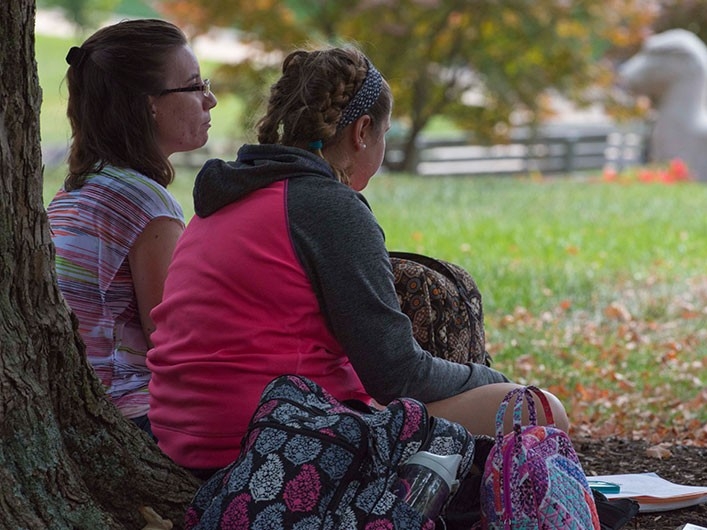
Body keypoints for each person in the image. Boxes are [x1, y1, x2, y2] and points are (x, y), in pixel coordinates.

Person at [147, 46, 568, 478]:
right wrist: (490, 377)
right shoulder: (327, 207)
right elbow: (397, 374)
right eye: (383, 135)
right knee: (538, 409)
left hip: (186, 436)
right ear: (362, 131)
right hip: (268, 444)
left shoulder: (229, 196)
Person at [47, 19, 217, 435]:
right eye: (194, 86)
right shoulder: (147, 205)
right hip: (127, 413)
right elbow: (172, 342)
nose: (210, 99)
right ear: (149, 104)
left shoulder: (76, 192)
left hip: (77, 406)